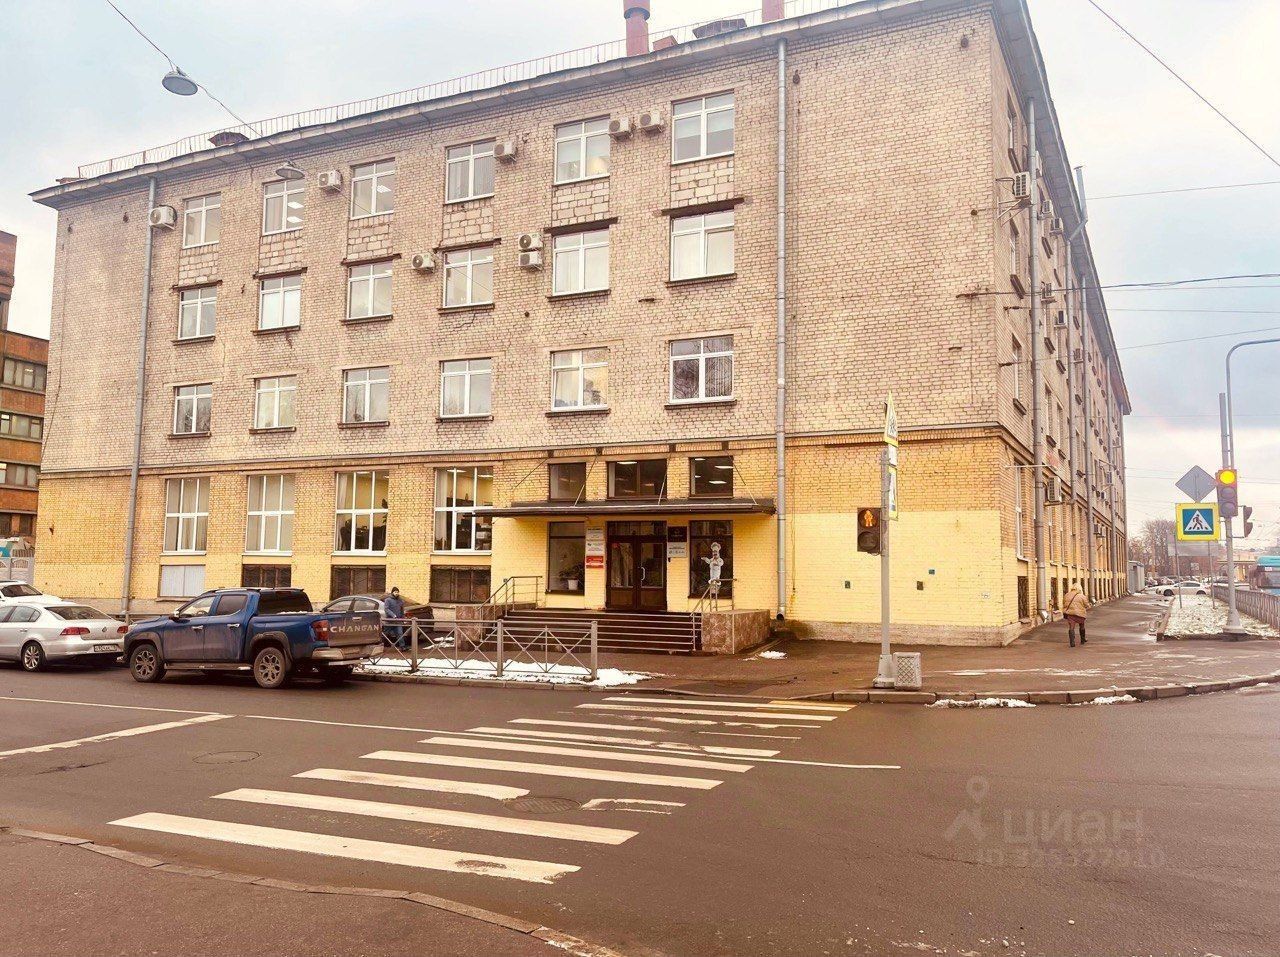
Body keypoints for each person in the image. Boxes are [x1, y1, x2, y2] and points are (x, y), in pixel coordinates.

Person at [1060, 580, 1090, 648]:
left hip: (1070, 614)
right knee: (1081, 625)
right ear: (1079, 588)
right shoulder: (1081, 596)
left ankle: (1072, 642)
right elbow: (1087, 605)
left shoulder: (1066, 595)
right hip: (1080, 614)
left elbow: (1064, 603)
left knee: (1071, 627)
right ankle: (1082, 640)